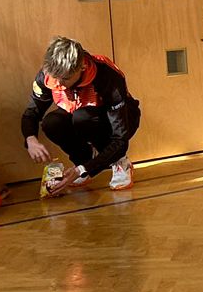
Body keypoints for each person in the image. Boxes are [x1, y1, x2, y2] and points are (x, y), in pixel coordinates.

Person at [22, 36, 140, 195]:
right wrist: (30, 139)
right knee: (51, 122)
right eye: (55, 77)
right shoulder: (48, 77)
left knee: (83, 117)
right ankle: (82, 160)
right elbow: (31, 113)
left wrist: (83, 170)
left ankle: (120, 162)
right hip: (78, 113)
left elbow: (120, 137)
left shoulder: (106, 74)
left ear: (82, 67)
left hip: (120, 119)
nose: (59, 84)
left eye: (65, 79)